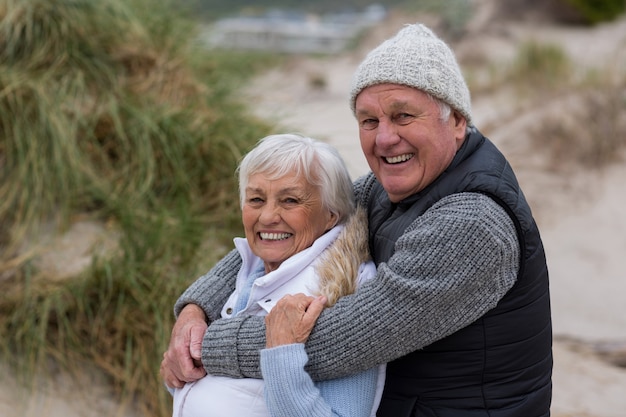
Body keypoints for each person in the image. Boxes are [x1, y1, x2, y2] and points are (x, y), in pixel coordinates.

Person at [161, 23, 552, 417]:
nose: (384, 139)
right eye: (369, 121)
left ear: (456, 122)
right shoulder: (387, 187)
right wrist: (196, 308)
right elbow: (291, 227)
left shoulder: (471, 224)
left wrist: (203, 346)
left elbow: (340, 341)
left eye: (403, 116)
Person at [166, 133, 385, 417]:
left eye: (290, 200)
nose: (268, 216)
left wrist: (281, 355)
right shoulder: (256, 267)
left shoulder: (344, 289)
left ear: (331, 215)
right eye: (256, 199)